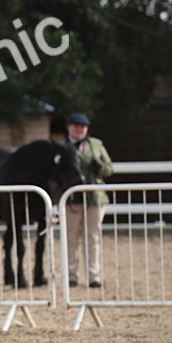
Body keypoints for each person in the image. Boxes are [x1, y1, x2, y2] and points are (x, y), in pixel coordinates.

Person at [62, 112, 113, 288]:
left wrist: (100, 167)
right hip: (72, 198)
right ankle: (71, 275)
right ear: (69, 127)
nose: (79, 130)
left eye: (82, 127)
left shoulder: (96, 145)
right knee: (71, 237)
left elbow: (109, 169)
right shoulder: (63, 147)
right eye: (76, 126)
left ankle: (94, 276)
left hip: (94, 197)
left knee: (93, 237)